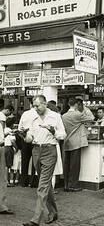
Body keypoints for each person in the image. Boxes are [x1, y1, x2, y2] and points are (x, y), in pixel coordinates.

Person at [23, 95, 66, 226]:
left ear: (45, 103)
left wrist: (54, 132)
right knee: (46, 183)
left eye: (37, 106)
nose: (35, 108)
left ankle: (36, 219)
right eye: (33, 106)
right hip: (36, 150)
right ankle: (53, 212)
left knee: (42, 186)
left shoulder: (55, 116)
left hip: (49, 150)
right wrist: (25, 136)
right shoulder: (32, 117)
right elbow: (29, 137)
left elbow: (63, 134)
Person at [62, 98, 92, 192]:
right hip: (76, 142)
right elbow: (91, 118)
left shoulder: (64, 116)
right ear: (76, 105)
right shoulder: (78, 114)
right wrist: (85, 108)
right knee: (75, 165)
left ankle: (66, 185)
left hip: (66, 142)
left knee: (66, 164)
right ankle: (73, 185)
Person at [18, 102, 38, 188]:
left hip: (25, 140)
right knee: (35, 162)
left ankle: (23, 181)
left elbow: (19, 128)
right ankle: (33, 181)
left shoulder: (25, 114)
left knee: (24, 161)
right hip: (35, 140)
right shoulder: (38, 114)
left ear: (30, 105)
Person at [0, 110, 13, 215]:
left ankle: (2, 205)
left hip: (1, 146)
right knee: (2, 177)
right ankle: (1, 205)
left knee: (2, 177)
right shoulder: (1, 116)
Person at [4, 117, 16, 187]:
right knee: (8, 166)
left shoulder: (4, 130)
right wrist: (16, 148)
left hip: (3, 147)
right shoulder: (11, 131)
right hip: (9, 148)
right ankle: (8, 181)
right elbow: (13, 141)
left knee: (4, 165)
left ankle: (5, 180)